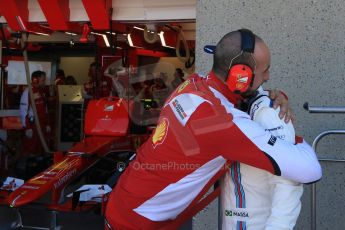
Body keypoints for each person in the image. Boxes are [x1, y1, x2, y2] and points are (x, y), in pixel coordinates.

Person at [104, 29, 322, 230]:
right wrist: (290, 137)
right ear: (240, 75)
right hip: (136, 223)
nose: (267, 77)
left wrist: (274, 95)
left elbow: (242, 98)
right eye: (265, 71)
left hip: (126, 204)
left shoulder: (194, 85)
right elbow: (309, 169)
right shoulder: (220, 123)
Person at [221, 88, 303, 230]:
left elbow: (287, 182)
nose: (267, 77)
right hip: (232, 218)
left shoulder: (269, 111)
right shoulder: (216, 102)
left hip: (256, 223)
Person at [19, 70, 50, 155]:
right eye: (43, 80)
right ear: (36, 80)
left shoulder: (42, 92)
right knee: (30, 150)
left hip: (42, 126)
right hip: (32, 126)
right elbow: (23, 111)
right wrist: (27, 128)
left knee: (41, 150)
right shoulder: (27, 92)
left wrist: (47, 124)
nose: (44, 82)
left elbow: (45, 109)